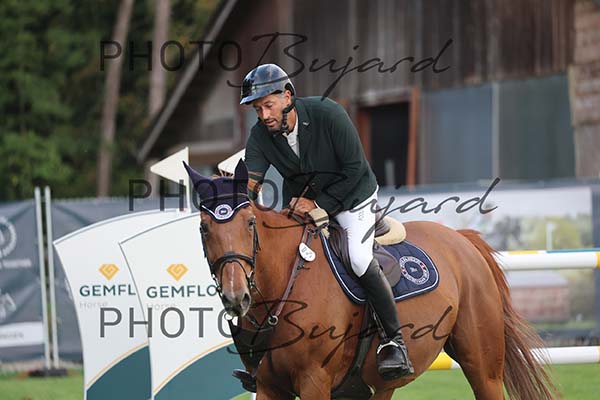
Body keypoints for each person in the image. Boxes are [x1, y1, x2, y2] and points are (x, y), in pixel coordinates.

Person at [241, 63, 413, 380]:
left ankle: (394, 342)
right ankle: (266, 355)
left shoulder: (328, 113)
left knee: (358, 258)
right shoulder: (260, 136)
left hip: (353, 198)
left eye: (268, 105)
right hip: (303, 205)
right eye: (257, 109)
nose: (264, 115)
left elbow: (354, 170)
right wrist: (229, 197)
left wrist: (319, 205)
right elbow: (250, 183)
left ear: (287, 96)